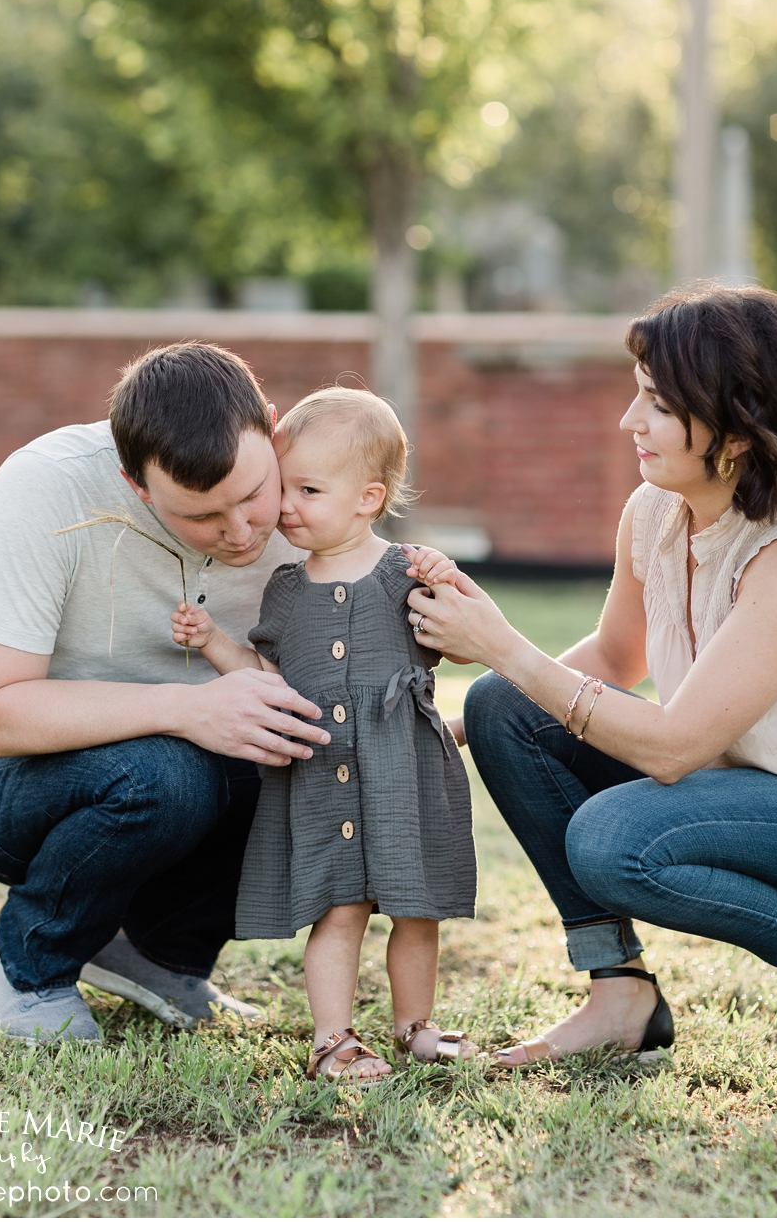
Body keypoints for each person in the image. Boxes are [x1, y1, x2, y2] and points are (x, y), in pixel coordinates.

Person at [408, 283, 777, 1064]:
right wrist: (454, 730)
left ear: (735, 428)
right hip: (710, 791)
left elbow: (674, 748)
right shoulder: (654, 512)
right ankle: (620, 993)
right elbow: (614, 658)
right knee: (502, 706)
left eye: (657, 405)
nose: (631, 422)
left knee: (612, 840)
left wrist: (501, 644)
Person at [0, 342, 332, 1041]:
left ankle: (157, 955)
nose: (242, 532)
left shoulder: (312, 505)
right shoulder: (46, 486)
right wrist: (191, 709)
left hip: (182, 766)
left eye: (254, 495)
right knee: (165, 775)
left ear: (272, 427)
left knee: (313, 761)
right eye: (202, 517)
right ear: (135, 484)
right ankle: (28, 965)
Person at [172, 388, 477, 1084]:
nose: (286, 507)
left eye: (308, 490)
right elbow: (266, 678)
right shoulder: (285, 590)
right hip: (321, 779)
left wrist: (450, 584)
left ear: (369, 497)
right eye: (286, 489)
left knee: (414, 908)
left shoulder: (406, 571)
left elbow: (465, 646)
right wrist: (215, 641)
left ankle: (415, 1029)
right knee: (338, 910)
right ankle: (332, 1040)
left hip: (403, 776)